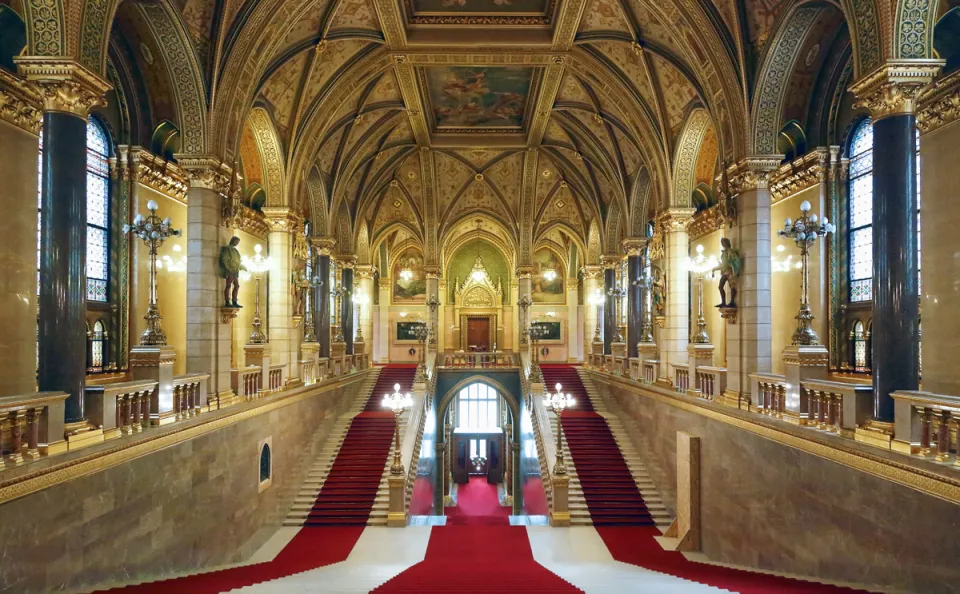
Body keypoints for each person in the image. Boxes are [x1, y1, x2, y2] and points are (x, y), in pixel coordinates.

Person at [220, 237, 246, 308]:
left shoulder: (235, 250)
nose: (237, 243)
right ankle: (227, 301)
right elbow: (224, 259)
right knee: (228, 285)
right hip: (230, 270)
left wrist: (242, 267)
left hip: (235, 270)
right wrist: (228, 268)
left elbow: (237, 261)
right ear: (233, 241)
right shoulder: (227, 249)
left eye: (238, 242)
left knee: (237, 285)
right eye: (236, 242)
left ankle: (234, 301)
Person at [716, 237, 742, 308]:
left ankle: (732, 301)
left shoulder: (730, 251)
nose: (722, 244)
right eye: (721, 243)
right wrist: (714, 269)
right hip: (724, 271)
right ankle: (723, 302)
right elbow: (723, 264)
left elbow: (736, 260)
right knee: (720, 286)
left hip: (730, 271)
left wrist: (734, 267)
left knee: (732, 286)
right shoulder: (723, 253)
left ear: (727, 243)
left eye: (723, 242)